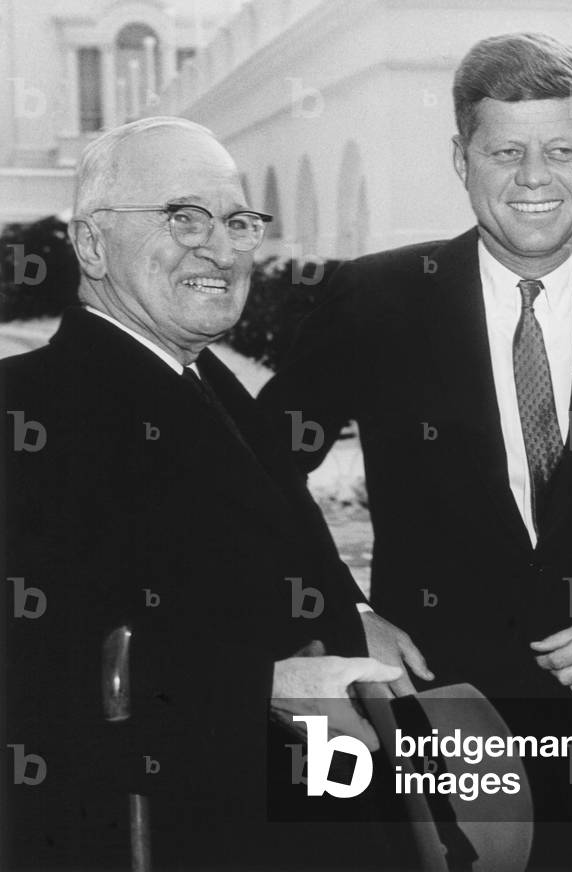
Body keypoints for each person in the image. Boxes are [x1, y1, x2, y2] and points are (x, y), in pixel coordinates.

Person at [257, 33, 572, 871]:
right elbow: (258, 472)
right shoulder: (376, 300)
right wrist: (344, 616)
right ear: (462, 159)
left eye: (560, 149)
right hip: (428, 698)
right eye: (504, 152)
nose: (533, 177)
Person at [1, 116, 417, 870]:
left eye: (237, 222)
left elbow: (270, 543)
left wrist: (350, 612)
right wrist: (265, 686)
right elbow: (32, 663)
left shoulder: (204, 379)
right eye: (183, 218)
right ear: (91, 244)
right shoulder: (24, 411)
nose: (222, 250)